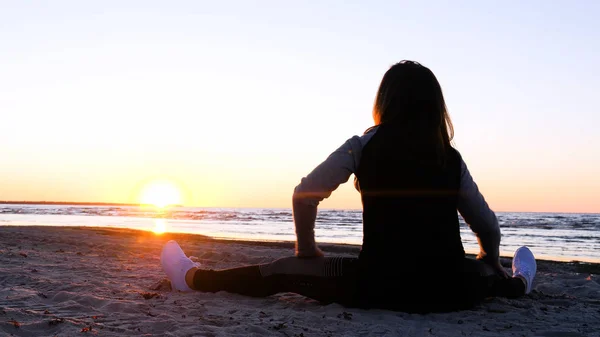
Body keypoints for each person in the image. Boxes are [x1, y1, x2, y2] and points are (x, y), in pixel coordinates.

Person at [160, 60, 537, 313]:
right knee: (487, 275)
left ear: (384, 103)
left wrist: (307, 250)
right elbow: (487, 224)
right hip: (449, 292)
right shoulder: (449, 158)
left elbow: (305, 193)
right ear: (436, 109)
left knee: (280, 270)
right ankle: (521, 280)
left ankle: (191, 278)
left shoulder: (364, 145)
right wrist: (489, 257)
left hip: (377, 287)